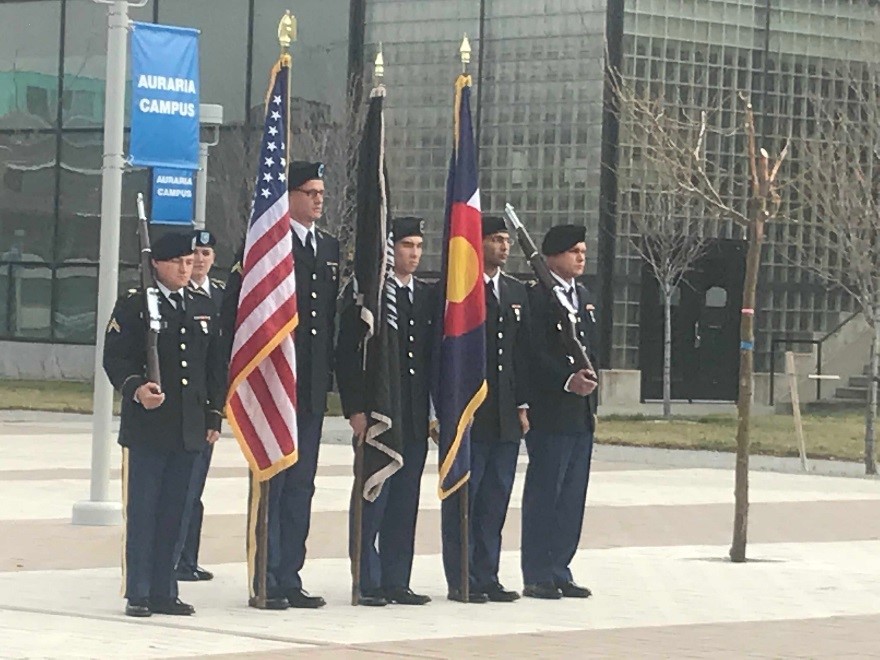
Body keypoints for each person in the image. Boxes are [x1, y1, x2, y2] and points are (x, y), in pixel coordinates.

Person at [222, 161, 339, 610]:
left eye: (321, 193)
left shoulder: (327, 247)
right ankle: (265, 577)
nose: (318, 199)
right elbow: (241, 312)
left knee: (301, 487)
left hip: (307, 387)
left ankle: (290, 574)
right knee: (273, 482)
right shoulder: (268, 244)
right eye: (310, 192)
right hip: (274, 385)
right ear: (287, 196)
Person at [103, 231, 225, 618]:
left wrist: (213, 415)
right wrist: (137, 388)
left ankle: (164, 589)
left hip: (189, 425)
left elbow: (213, 366)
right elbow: (115, 358)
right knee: (145, 510)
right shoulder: (136, 303)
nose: (185, 269)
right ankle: (138, 591)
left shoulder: (202, 304)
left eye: (190, 262)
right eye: (177, 262)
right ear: (156, 263)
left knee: (178, 509)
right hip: (150, 426)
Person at [336, 217, 434, 607]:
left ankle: (397, 579)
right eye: (405, 245)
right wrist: (355, 409)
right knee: (373, 494)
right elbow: (347, 355)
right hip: (379, 413)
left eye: (418, 246)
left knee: (405, 499)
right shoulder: (369, 295)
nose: (413, 253)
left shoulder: (425, 297)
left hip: (411, 414)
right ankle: (367, 578)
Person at [441, 215, 531, 603]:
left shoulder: (514, 291)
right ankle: (462, 576)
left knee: (496, 497)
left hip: (505, 413)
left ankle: (487, 573)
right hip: (470, 414)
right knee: (467, 496)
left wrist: (523, 405)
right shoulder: (461, 291)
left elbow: (520, 354)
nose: (504, 247)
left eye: (506, 240)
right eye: (495, 239)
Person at [520, 223, 599, 601]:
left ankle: (560, 568)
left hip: (580, 413)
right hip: (551, 411)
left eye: (583, 251)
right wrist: (566, 381)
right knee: (545, 494)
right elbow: (533, 353)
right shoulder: (536, 296)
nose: (581, 257)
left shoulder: (582, 295)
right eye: (574, 252)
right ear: (552, 256)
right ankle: (537, 572)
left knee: (571, 497)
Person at [174, 229, 224, 583]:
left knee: (197, 488)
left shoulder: (220, 296)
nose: (200, 261)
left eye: (206, 253)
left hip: (206, 404)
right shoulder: (176, 297)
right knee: (181, 488)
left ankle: (189, 559)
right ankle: (173, 558)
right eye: (195, 254)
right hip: (179, 408)